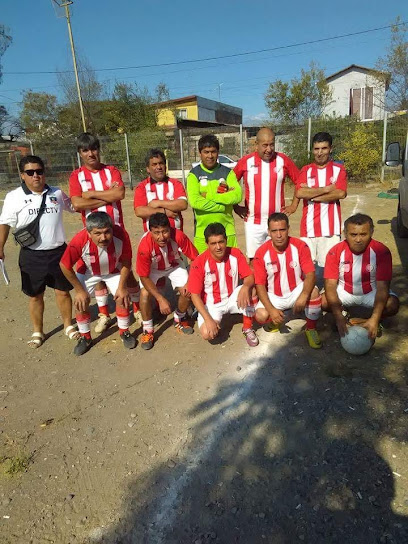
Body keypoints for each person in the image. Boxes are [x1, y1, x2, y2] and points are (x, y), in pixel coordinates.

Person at [0, 155, 79, 348]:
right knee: (35, 295)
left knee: (62, 292)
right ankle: (38, 331)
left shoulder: (57, 193)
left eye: (39, 171)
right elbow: (5, 223)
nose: (36, 176)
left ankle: (68, 326)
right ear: (23, 175)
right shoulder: (14, 197)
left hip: (59, 252)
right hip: (31, 255)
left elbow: (75, 207)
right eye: (30, 172)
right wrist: (0, 247)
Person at [69, 132, 140, 333]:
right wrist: (107, 198)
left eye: (93, 148)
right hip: (93, 233)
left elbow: (119, 193)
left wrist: (90, 195)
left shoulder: (111, 171)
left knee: (125, 271)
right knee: (97, 271)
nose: (90, 153)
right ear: (80, 153)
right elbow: (76, 203)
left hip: (116, 231)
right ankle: (103, 314)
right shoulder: (77, 176)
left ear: (99, 149)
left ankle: (136, 309)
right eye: (85, 150)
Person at [60, 212, 136, 356]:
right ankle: (85, 337)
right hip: (89, 272)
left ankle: (124, 332)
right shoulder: (79, 240)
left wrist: (121, 287)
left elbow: (126, 261)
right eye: (98, 233)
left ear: (112, 229)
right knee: (81, 302)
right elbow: (64, 265)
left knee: (122, 297)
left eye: (107, 232)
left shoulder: (121, 234)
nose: (103, 238)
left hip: (114, 270)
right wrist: (79, 290)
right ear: (89, 233)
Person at [322, 213, 399, 339]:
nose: (358, 239)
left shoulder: (381, 251)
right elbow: (330, 285)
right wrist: (337, 316)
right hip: (345, 291)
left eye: (363, 234)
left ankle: (374, 320)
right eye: (353, 235)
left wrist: (375, 318)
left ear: (371, 232)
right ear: (345, 233)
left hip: (371, 292)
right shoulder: (334, 251)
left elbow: (382, 287)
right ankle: (344, 314)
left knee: (392, 304)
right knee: (323, 302)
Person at [253, 213, 322, 349]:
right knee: (261, 316)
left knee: (313, 293)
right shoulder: (261, 252)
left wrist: (303, 296)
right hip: (274, 295)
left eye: (282, 230)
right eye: (274, 231)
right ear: (269, 232)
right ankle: (275, 320)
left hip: (295, 290)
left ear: (288, 229)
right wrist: (271, 309)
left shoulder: (300, 246)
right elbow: (260, 285)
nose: (279, 235)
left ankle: (310, 328)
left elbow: (310, 274)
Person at [188, 222, 259, 347]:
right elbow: (194, 295)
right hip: (212, 304)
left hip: (232, 298)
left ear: (226, 240)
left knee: (252, 289)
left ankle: (247, 328)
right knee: (208, 333)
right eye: (213, 243)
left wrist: (246, 286)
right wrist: (208, 320)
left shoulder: (235, 254)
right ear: (207, 244)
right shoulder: (199, 262)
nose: (218, 247)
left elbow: (249, 276)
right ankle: (215, 322)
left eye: (221, 242)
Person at [234, 127, 300, 260]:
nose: (269, 149)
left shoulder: (283, 160)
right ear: (256, 145)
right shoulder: (246, 162)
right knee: (255, 260)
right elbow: (230, 185)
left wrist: (294, 205)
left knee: (279, 258)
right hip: (253, 222)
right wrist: (235, 206)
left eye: (272, 144)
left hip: (277, 222)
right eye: (265, 145)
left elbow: (299, 181)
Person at [136, 212, 199, 350]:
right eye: (156, 232)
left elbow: (196, 258)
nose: (161, 236)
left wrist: (190, 281)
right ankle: (148, 330)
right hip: (153, 270)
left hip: (174, 265)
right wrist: (160, 299)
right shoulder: (144, 246)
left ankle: (180, 318)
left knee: (188, 290)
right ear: (150, 231)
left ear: (169, 229)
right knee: (145, 295)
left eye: (165, 231)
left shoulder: (179, 236)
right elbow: (143, 276)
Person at [295, 132, 347, 278]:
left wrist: (312, 195)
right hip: (308, 229)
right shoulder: (306, 170)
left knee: (330, 269)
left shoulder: (338, 169)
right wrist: (326, 189)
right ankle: (311, 296)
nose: (319, 153)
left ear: (330, 149)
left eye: (323, 148)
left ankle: (329, 297)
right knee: (306, 269)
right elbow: (299, 193)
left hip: (330, 229)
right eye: (316, 149)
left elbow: (340, 193)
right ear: (312, 150)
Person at [187, 134, 242, 253]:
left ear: (218, 152)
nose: (210, 156)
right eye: (206, 152)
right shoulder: (193, 175)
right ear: (200, 152)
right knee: (205, 270)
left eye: (213, 152)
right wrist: (223, 206)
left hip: (227, 233)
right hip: (202, 235)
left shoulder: (228, 173)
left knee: (230, 268)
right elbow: (195, 202)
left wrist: (209, 196)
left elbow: (237, 195)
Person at [134, 148, 188, 232]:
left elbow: (182, 204)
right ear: (148, 169)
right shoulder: (142, 187)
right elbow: (139, 211)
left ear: (165, 166)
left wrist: (157, 203)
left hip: (175, 235)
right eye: (154, 164)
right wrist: (164, 211)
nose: (158, 167)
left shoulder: (175, 183)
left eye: (161, 163)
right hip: (152, 237)